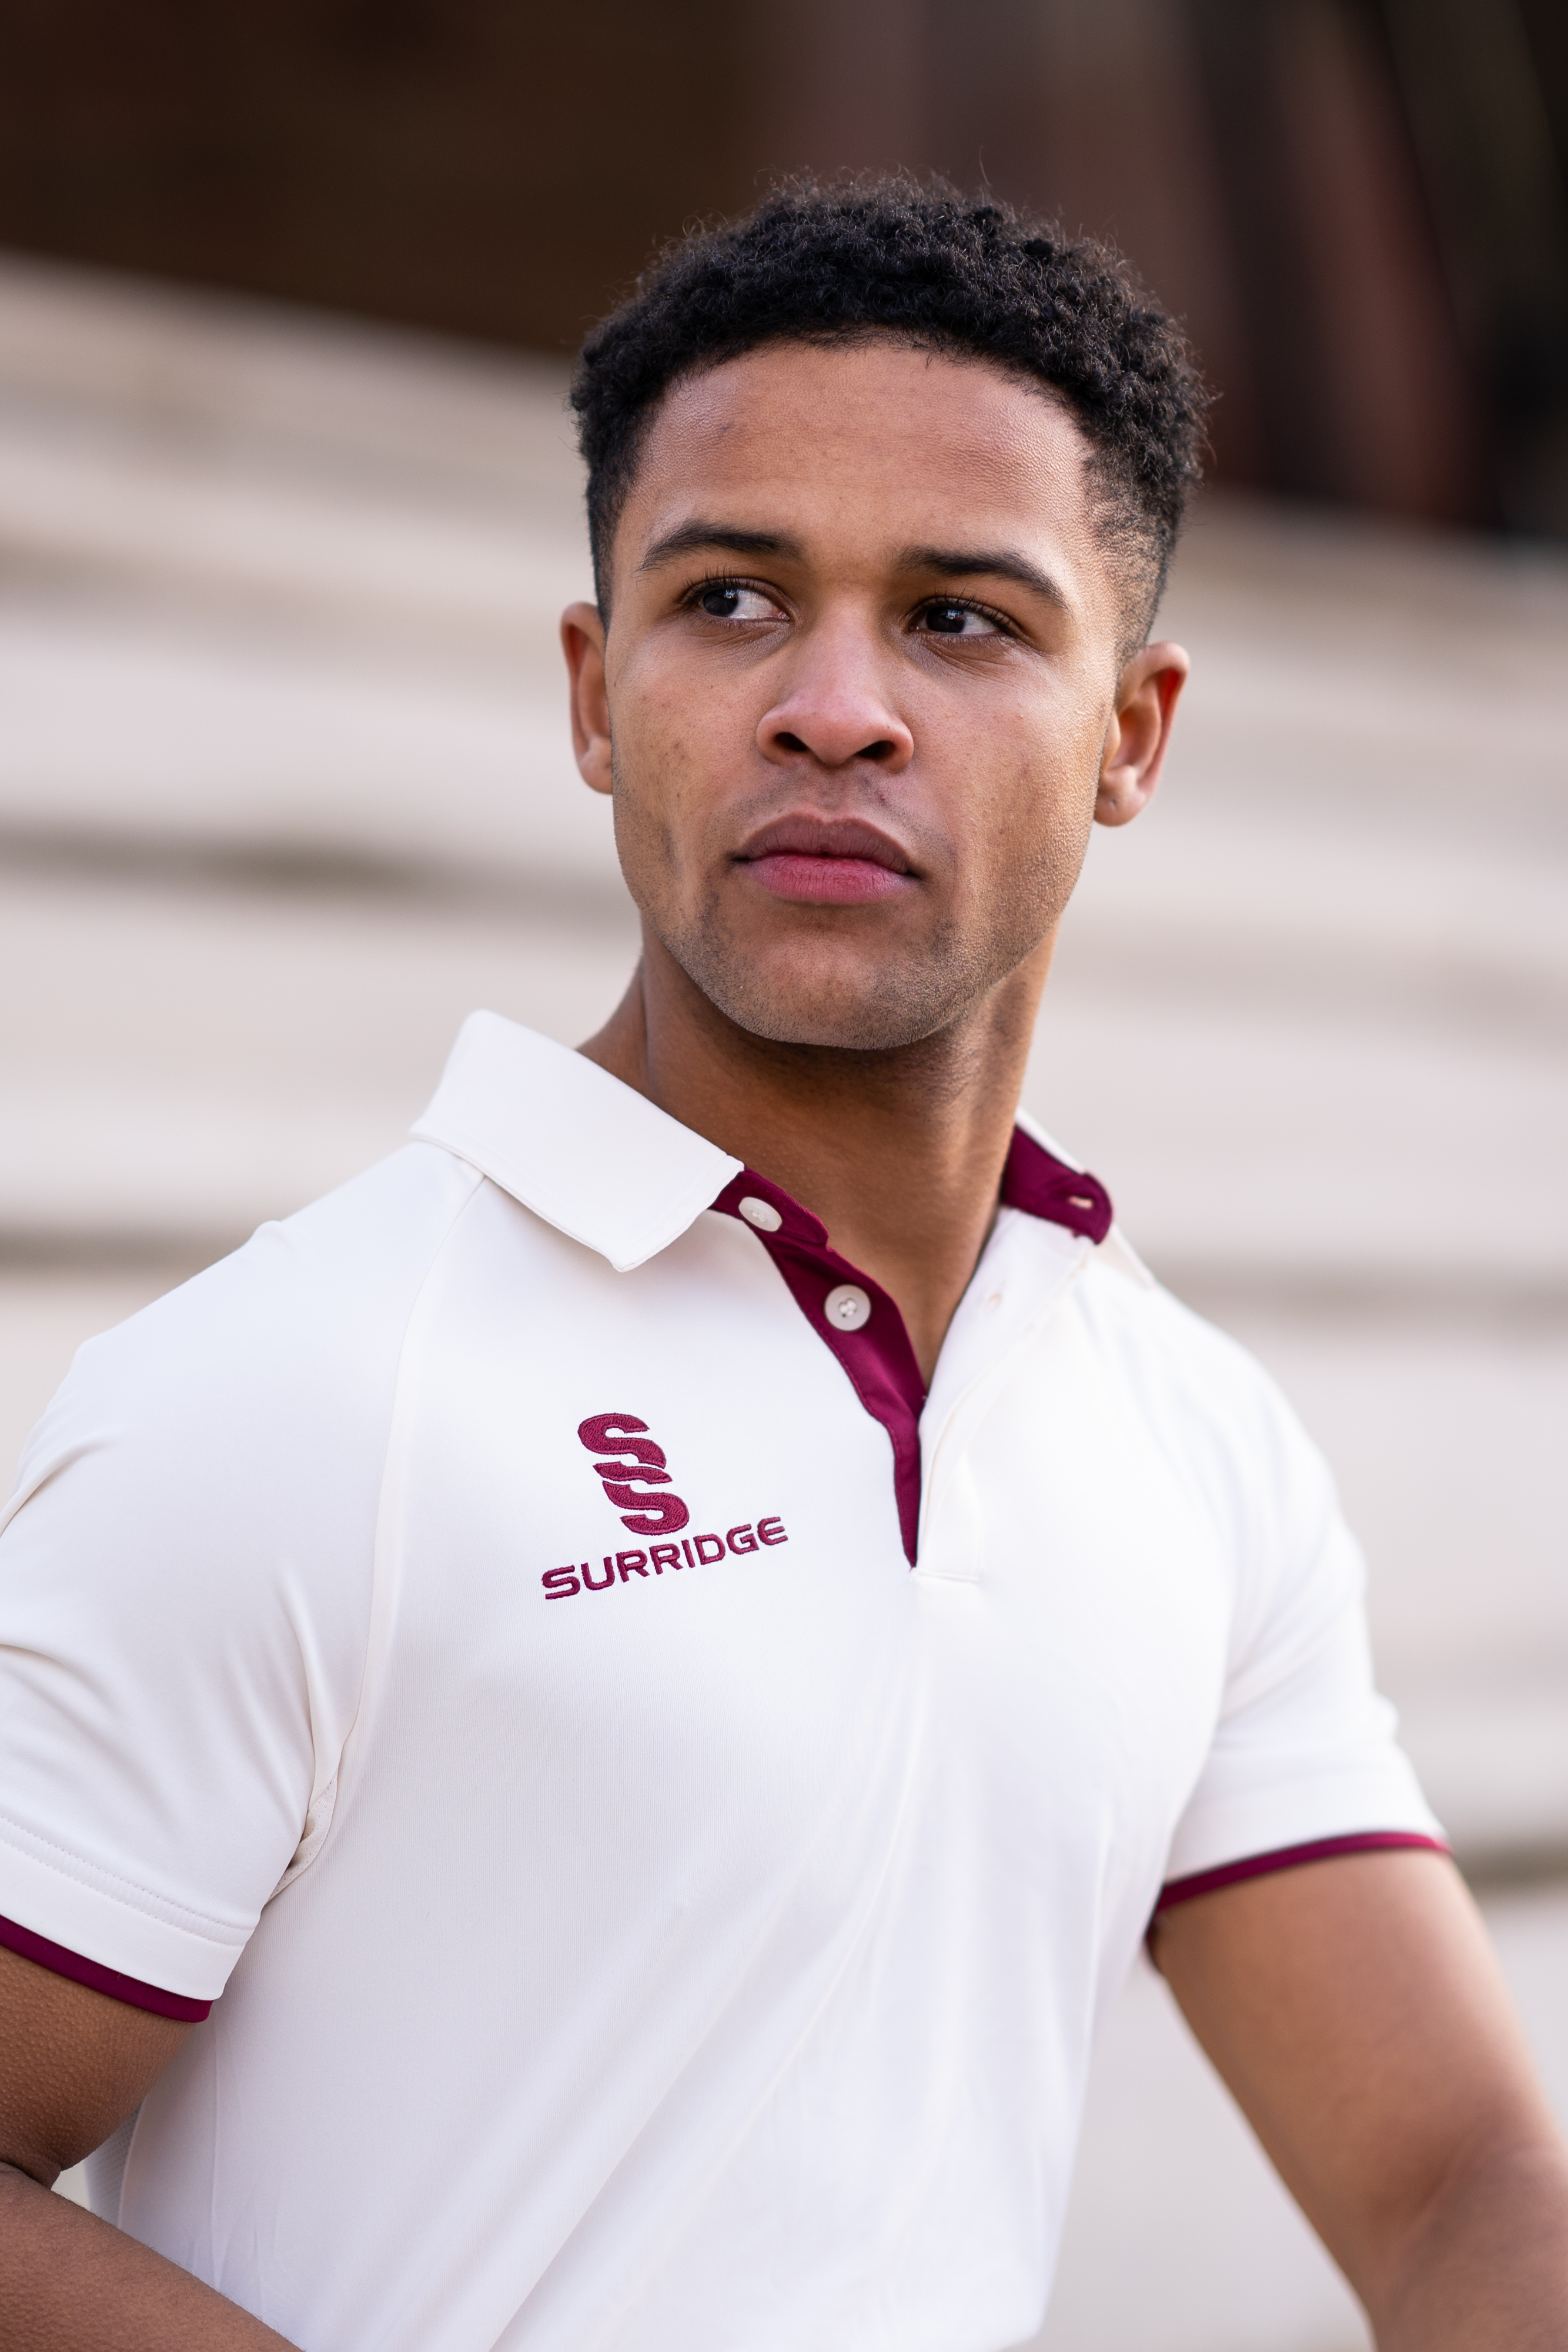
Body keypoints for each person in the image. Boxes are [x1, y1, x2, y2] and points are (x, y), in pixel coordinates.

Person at [1, 177, 1564, 2352]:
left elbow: (1456, 2175)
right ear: (594, 693)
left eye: (960, 619)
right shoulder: (289, 1396)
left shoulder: (1181, 1433)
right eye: (730, 600)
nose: (834, 707)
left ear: (1130, 734)